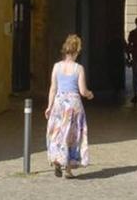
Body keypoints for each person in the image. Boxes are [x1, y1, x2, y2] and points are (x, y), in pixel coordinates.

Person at [45, 33, 92, 178]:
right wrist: (90, 94)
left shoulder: (57, 67)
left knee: (58, 133)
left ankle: (57, 161)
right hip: (73, 105)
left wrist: (49, 106)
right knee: (72, 136)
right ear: (77, 51)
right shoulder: (78, 69)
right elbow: (83, 91)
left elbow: (53, 88)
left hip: (59, 103)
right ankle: (68, 169)